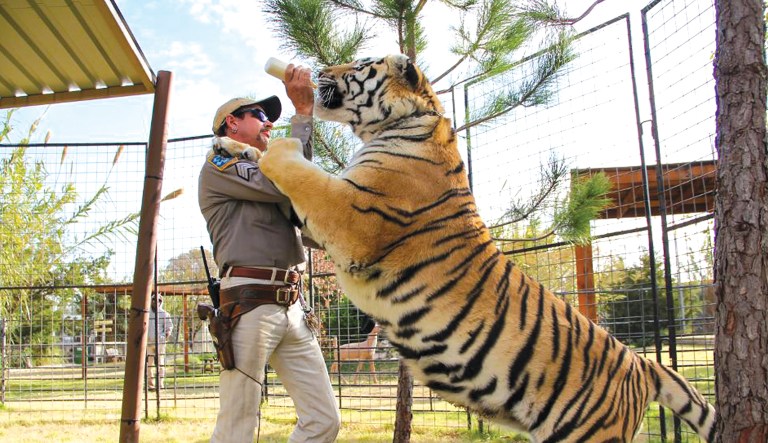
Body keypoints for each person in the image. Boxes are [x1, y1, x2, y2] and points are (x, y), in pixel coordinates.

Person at [198, 63, 341, 443]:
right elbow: (289, 183)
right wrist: (303, 116)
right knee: (237, 427)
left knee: (324, 420)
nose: (268, 123)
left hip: (292, 304)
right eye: (260, 115)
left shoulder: (267, 169)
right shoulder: (221, 163)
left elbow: (302, 189)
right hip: (249, 301)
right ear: (231, 123)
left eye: (270, 118)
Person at [147, 292, 173, 391]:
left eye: (158, 300)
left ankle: (160, 384)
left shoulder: (164, 314)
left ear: (160, 302)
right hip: (148, 343)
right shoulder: (147, 313)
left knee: (160, 364)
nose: (156, 302)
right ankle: (151, 385)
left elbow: (169, 327)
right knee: (149, 365)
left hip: (160, 343)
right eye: (154, 300)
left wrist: (166, 335)